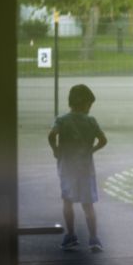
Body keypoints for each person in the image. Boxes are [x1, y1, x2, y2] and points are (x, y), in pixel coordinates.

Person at [48, 84, 107, 252]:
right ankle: (94, 238)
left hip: (67, 168)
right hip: (86, 170)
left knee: (68, 202)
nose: (90, 108)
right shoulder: (91, 121)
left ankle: (71, 235)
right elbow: (103, 140)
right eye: (90, 105)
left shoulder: (62, 120)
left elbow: (52, 135)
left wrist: (56, 150)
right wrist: (91, 150)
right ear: (86, 103)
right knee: (88, 206)